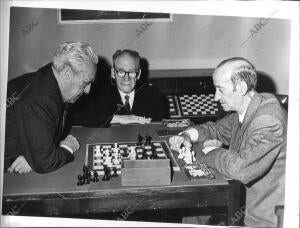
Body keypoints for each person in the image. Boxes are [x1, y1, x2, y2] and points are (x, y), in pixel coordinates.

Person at [169, 57, 287, 227]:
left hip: (258, 215)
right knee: (192, 214)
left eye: (220, 90)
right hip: (235, 194)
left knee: (195, 209)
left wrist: (206, 151)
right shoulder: (246, 107)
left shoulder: (268, 119)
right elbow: (214, 129)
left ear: (241, 88)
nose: (216, 97)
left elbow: (241, 169)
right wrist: (187, 136)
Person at [4, 41, 98, 174]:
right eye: (85, 83)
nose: (87, 90)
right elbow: (45, 162)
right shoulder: (41, 99)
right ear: (67, 73)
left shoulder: (50, 78)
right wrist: (67, 147)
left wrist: (33, 156)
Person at [70, 49, 169, 127]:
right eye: (121, 72)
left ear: (138, 74)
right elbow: (75, 117)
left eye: (131, 72)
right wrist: (115, 118)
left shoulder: (154, 96)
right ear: (113, 73)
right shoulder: (98, 94)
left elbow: (163, 127)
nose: (126, 78)